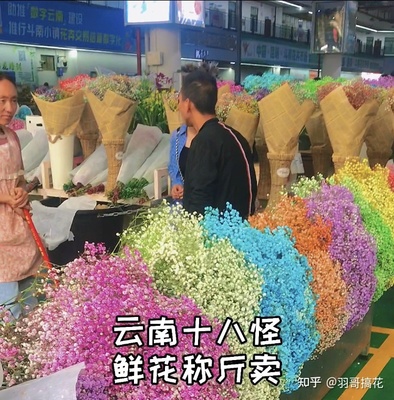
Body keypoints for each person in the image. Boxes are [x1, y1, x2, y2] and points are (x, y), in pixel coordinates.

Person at [178, 70, 257, 219]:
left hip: (217, 236)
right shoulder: (237, 137)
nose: (178, 108)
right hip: (240, 231)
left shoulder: (204, 142)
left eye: (179, 101)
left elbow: (198, 201)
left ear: (188, 104)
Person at [0, 73, 42, 320]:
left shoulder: (13, 137)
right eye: (2, 100)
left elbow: (21, 180)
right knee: (8, 312)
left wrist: (21, 191)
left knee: (31, 305)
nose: (9, 108)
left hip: (20, 230)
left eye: (13, 100)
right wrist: (5, 198)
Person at [168, 123, 197, 199]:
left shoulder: (211, 136)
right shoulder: (177, 136)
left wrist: (188, 192)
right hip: (182, 200)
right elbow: (173, 167)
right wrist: (177, 185)